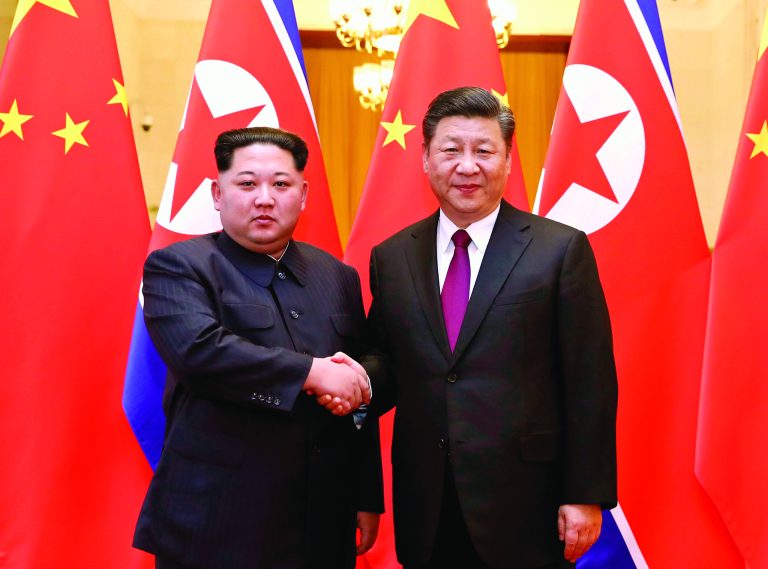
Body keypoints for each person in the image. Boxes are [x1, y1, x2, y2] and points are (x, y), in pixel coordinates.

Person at [363, 87, 618, 569]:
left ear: (507, 159)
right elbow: (388, 362)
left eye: (483, 151)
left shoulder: (559, 250)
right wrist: (346, 381)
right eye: (451, 150)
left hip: (527, 502)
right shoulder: (393, 256)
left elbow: (590, 381)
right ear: (425, 158)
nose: (467, 166)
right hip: (427, 501)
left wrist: (585, 493)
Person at [133, 127, 383, 569]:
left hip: (321, 520)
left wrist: (364, 493)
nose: (264, 198)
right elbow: (200, 352)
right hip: (216, 520)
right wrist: (312, 373)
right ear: (218, 194)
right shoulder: (179, 266)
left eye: (281, 184)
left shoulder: (338, 275)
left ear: (303, 195)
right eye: (247, 183)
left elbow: (356, 385)